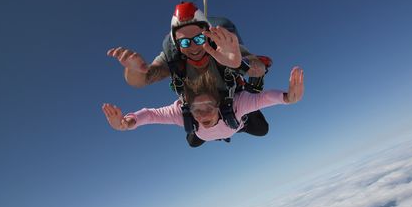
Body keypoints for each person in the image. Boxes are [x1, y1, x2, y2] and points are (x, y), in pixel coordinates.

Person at [107, 1, 272, 147]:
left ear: (207, 34)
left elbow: (259, 68)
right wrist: (134, 70)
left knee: (261, 129)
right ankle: (221, 131)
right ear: (177, 45)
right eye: (185, 42)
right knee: (193, 141)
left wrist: (239, 64)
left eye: (199, 39)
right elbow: (143, 79)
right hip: (198, 111)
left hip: (233, 102)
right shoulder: (173, 58)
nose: (193, 47)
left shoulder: (222, 47)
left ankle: (239, 123)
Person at [102, 67, 304, 143]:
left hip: (237, 123)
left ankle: (248, 90)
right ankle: (228, 129)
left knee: (262, 129)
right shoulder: (183, 114)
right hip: (213, 132)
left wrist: (288, 98)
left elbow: (265, 98)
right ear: (187, 107)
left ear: (219, 103)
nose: (203, 114)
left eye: (208, 106)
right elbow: (151, 115)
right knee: (193, 142)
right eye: (196, 109)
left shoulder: (234, 105)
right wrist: (127, 123)